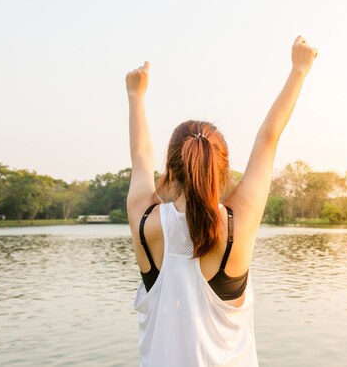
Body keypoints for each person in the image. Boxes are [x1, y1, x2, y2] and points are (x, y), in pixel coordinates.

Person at [124, 35, 318, 366]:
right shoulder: (236, 227)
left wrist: (135, 95)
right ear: (222, 171)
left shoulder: (146, 224)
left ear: (170, 170)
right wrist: (299, 70)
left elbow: (141, 157)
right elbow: (268, 139)